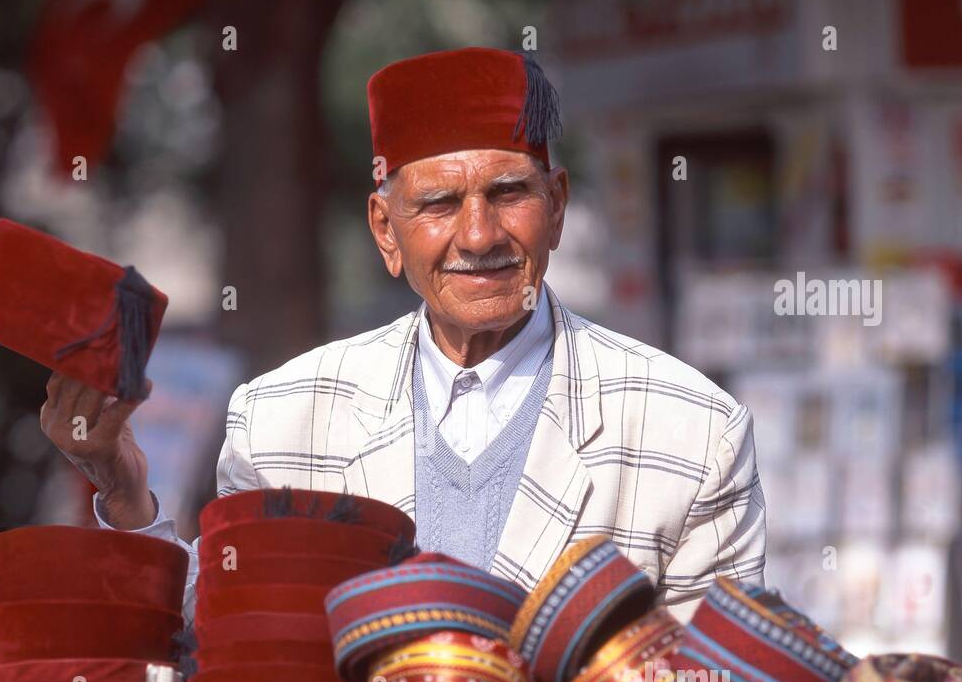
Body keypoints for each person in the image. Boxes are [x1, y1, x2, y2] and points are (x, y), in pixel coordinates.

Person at [39, 47, 766, 625]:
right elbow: (230, 644)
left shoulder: (691, 432)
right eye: (439, 204)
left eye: (509, 193)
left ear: (558, 205)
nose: (479, 236)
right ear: (386, 233)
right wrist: (125, 491)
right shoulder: (284, 417)